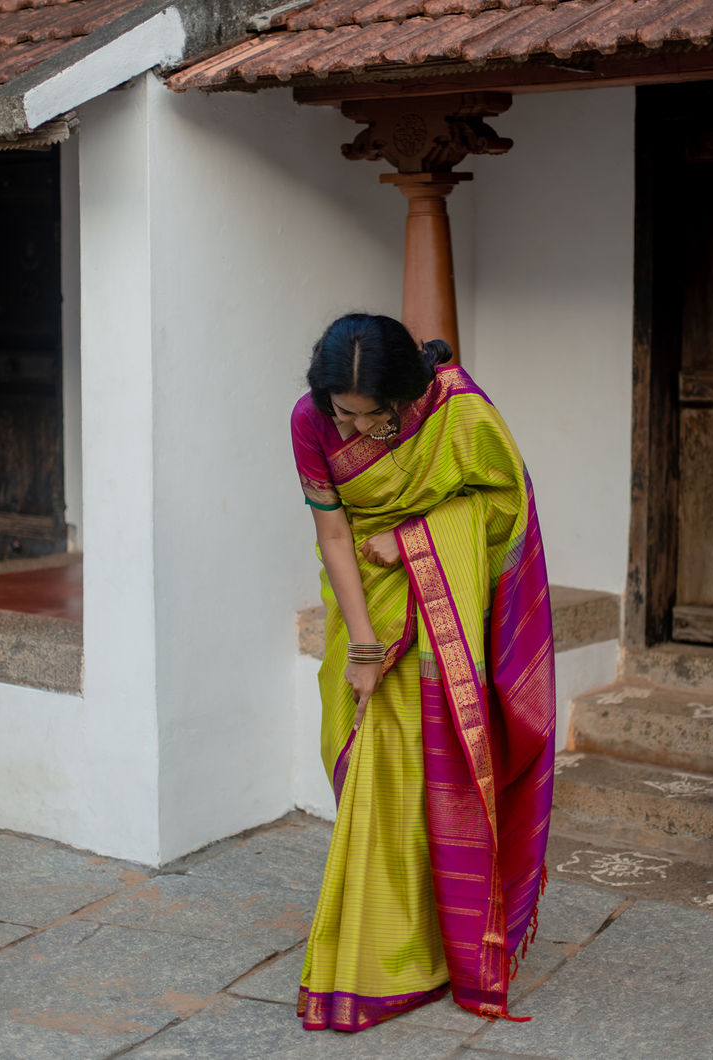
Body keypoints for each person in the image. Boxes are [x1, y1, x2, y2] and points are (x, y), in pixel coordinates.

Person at [290, 313, 555, 1033]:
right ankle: (407, 936)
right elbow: (335, 531)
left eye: (372, 417)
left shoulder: (455, 410)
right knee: (356, 756)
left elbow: (505, 504)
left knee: (415, 767)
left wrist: (412, 539)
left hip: (441, 608)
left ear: (406, 398)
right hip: (362, 606)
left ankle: (386, 961)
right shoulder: (309, 421)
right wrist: (366, 648)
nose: (353, 431)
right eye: (342, 414)